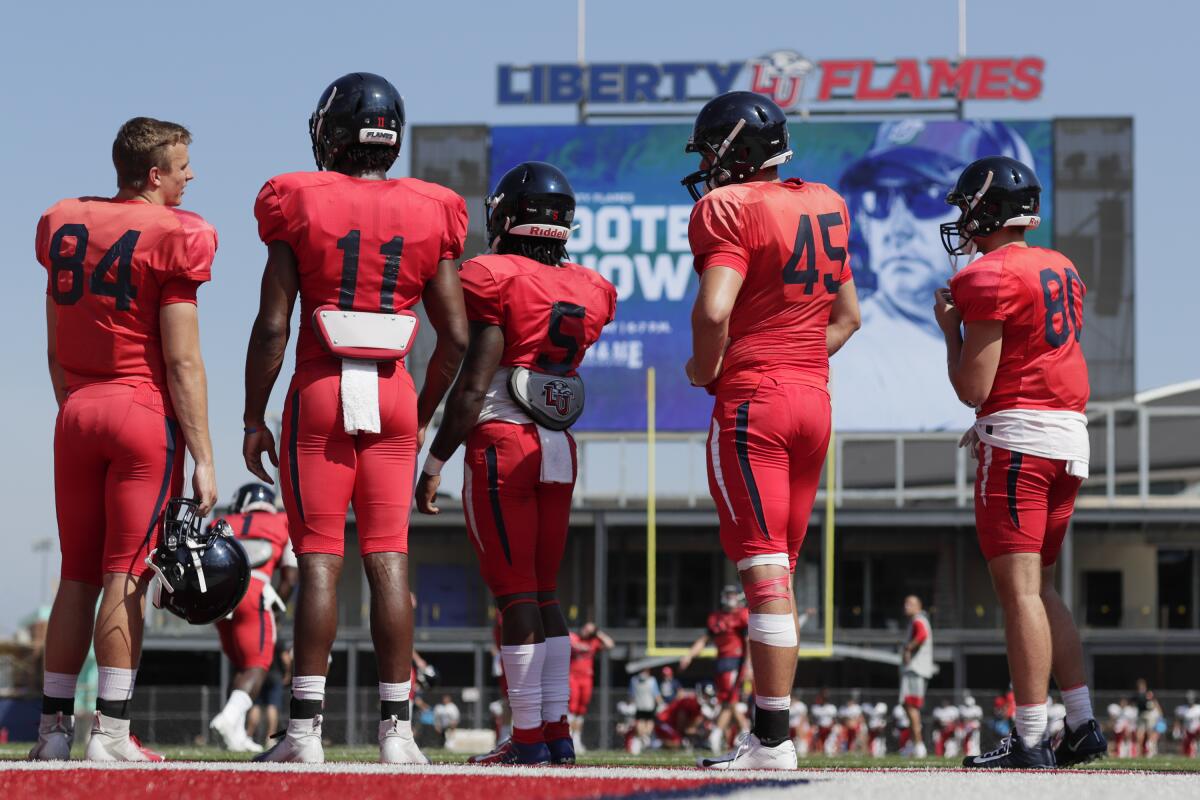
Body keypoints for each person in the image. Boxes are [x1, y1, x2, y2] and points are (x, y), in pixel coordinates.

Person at [244, 72, 468, 764]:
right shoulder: (434, 208)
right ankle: (398, 733)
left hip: (321, 387)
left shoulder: (297, 199)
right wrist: (423, 412)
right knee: (389, 558)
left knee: (318, 560)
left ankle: (304, 732)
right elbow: (456, 337)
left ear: (331, 134)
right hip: (395, 392)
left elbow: (275, 325)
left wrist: (253, 414)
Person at [414, 161, 617, 765]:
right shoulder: (591, 287)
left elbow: (474, 385)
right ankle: (556, 732)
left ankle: (528, 736)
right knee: (545, 592)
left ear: (505, 215)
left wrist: (435, 457)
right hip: (558, 447)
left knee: (515, 596)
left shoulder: (494, 276)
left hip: (503, 441)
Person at [30, 117, 218, 762]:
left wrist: (77, 404)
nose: (192, 175)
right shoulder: (173, 234)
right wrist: (204, 456)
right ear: (154, 174)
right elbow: (183, 362)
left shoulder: (65, 221)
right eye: (183, 164)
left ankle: (53, 733)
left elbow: (54, 345)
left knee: (75, 577)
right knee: (126, 575)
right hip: (139, 410)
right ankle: (110, 733)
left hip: (75, 409)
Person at [682, 90, 860, 770]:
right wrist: (795, 359)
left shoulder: (728, 209)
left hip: (756, 400)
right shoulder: (826, 203)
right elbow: (847, 319)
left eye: (708, 152)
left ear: (733, 151)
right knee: (778, 568)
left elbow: (714, 309)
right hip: (814, 397)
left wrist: (708, 367)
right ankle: (770, 733)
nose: (704, 167)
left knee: (762, 571)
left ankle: (773, 739)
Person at [935, 156, 1106, 769]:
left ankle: (1032, 738)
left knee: (1019, 596)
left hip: (1020, 440)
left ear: (986, 208)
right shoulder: (1060, 265)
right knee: (1044, 588)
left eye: (967, 206)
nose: (962, 218)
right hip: (1070, 439)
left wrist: (950, 332)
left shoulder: (989, 274)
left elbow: (973, 387)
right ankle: (1082, 723)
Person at [833, 120, 1035, 431]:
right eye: (879, 201)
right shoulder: (855, 358)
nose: (896, 229)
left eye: (926, 197)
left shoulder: (1030, 317)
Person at [208, 483, 297, 752]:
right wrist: (276, 608)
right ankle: (230, 717)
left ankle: (235, 735)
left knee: (240, 664)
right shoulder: (283, 522)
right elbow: (290, 578)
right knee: (257, 664)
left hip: (219, 596)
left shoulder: (222, 522)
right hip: (255, 590)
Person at [680, 586, 752, 754]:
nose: (729, 597)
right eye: (727, 594)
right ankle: (726, 734)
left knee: (731, 701)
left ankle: (735, 733)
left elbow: (749, 642)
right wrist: (690, 655)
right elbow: (705, 639)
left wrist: (749, 665)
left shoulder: (742, 615)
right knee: (727, 702)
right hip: (721, 662)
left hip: (735, 660)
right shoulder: (716, 617)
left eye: (732, 594)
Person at [567, 622, 615, 753]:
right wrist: (588, 644)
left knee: (581, 709)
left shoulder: (594, 641)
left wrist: (598, 633)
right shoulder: (574, 637)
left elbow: (610, 644)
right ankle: (569, 737)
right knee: (572, 707)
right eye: (585, 628)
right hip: (573, 676)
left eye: (589, 630)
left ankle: (576, 738)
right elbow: (575, 645)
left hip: (586, 678)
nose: (585, 631)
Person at [899, 595, 933, 758]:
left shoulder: (919, 620)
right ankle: (914, 744)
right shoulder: (916, 620)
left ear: (919, 606)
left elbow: (922, 635)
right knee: (908, 705)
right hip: (915, 669)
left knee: (912, 706)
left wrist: (908, 649)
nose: (906, 606)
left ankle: (919, 745)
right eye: (906, 603)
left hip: (916, 669)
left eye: (910, 603)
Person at [246, 641, 290, 747]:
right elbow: (286, 659)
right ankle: (270, 738)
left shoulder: (259, 637)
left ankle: (248, 736)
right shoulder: (278, 639)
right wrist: (288, 673)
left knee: (255, 706)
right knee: (273, 706)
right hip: (275, 675)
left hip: (259, 673)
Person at [629, 668, 663, 753]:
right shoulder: (634, 680)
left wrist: (661, 704)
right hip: (640, 707)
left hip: (648, 707)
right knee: (641, 727)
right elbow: (632, 695)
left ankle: (645, 739)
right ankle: (644, 740)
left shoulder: (651, 680)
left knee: (647, 726)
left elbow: (656, 694)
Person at [1134, 679, 1163, 757]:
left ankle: (1150, 751)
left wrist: (1160, 715)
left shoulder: (1149, 694)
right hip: (1141, 716)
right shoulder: (1137, 695)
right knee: (1140, 735)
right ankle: (1139, 752)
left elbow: (1155, 703)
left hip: (1149, 715)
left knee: (1150, 733)